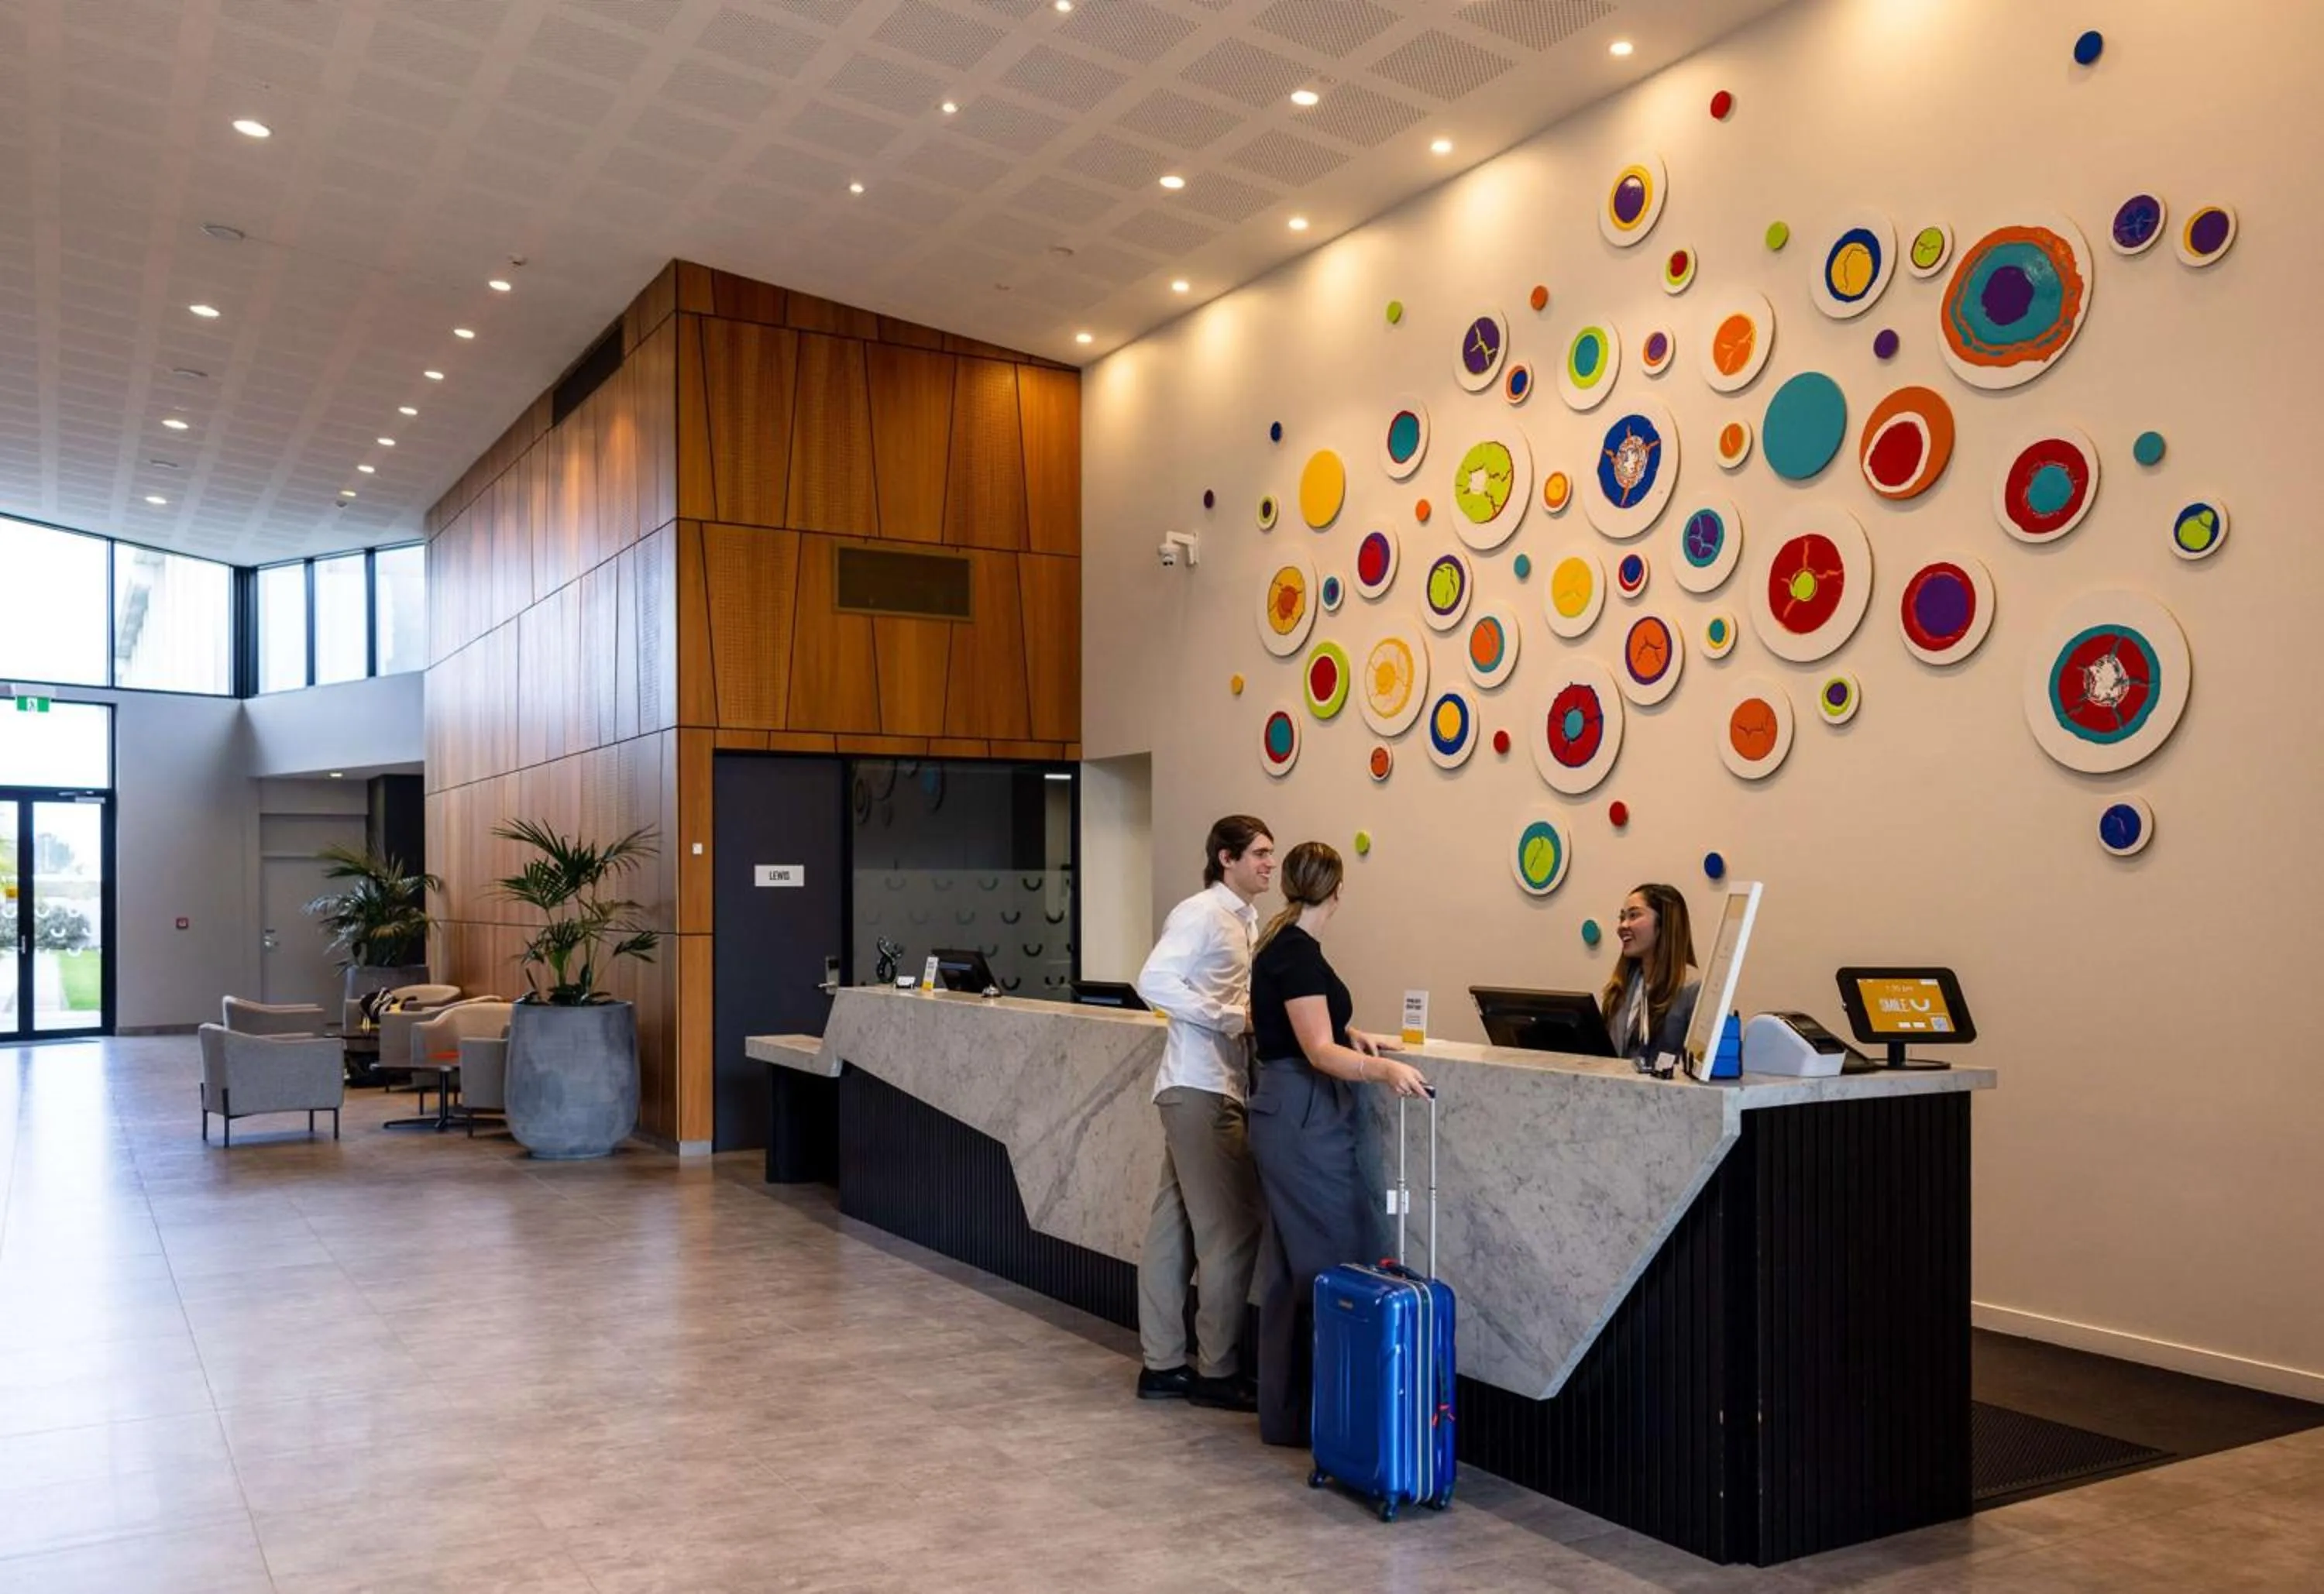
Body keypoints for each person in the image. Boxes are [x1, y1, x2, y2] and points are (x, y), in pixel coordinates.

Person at [1243, 841, 1430, 1447]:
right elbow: (1318, 1052)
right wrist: (1384, 1071)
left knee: (1289, 1272)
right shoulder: (1297, 952)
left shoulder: (1283, 946)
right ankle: (1340, 1421)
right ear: (1339, 890)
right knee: (1336, 1264)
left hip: (1285, 1110)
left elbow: (1304, 1027)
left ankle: (1292, 1416)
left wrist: (1353, 1033)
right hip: (1303, 1115)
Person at [1131, 815, 1275, 1410]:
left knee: (1173, 1228)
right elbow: (1153, 981)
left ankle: (1163, 1365)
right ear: (1226, 858)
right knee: (1232, 1231)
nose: (1269, 863)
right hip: (1202, 1089)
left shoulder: (1246, 920)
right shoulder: (1203, 914)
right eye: (1259, 853)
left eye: (1270, 853)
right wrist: (1229, 1018)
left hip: (1203, 1086)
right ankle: (1217, 1371)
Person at [1600, 882, 1702, 1067]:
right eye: (1622, 918)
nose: (1622, 926)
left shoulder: (1694, 989)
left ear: (1664, 923)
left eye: (1634, 915)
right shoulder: (1621, 987)